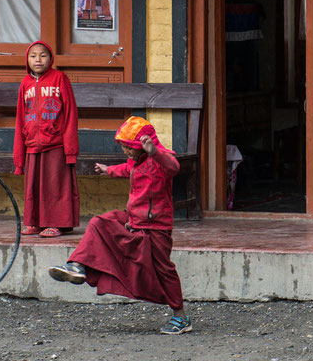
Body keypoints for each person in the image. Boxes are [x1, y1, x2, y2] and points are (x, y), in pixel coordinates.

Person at [47, 116, 192, 335]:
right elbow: (127, 169)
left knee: (164, 269)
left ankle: (181, 318)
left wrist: (155, 152)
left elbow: (174, 167)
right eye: (123, 147)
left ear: (141, 146)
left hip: (156, 227)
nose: (125, 152)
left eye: (128, 148)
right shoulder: (136, 160)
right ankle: (78, 266)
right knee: (99, 223)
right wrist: (109, 170)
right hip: (132, 219)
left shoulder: (161, 160)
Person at [13, 40, 79, 238]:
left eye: (43, 55)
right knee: (33, 185)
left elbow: (70, 114)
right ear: (27, 60)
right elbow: (20, 118)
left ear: (50, 59)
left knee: (55, 185)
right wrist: (19, 158)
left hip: (56, 143)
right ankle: (34, 222)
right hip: (32, 143)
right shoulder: (25, 84)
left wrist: (70, 149)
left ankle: (56, 223)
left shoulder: (60, 79)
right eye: (33, 56)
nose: (38, 59)